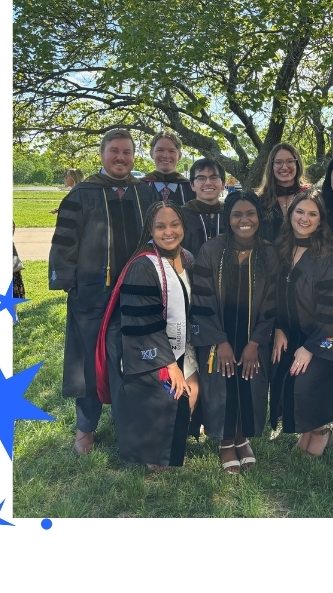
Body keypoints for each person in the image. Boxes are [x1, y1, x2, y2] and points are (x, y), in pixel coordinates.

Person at [48, 128, 161, 456]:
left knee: (138, 360)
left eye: (127, 152)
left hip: (138, 293)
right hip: (94, 293)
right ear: (102, 154)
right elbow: (64, 242)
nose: (121, 158)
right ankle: (85, 427)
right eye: (114, 151)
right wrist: (69, 283)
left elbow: (162, 237)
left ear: (134, 156)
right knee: (88, 362)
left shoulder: (147, 195)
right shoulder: (82, 194)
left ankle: (138, 425)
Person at [103, 201, 200, 470]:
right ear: (150, 229)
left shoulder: (187, 258)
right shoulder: (143, 266)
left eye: (174, 224)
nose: (168, 232)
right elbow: (142, 322)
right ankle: (154, 451)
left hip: (182, 344)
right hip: (148, 348)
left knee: (194, 390)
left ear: (183, 226)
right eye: (160, 226)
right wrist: (169, 364)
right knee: (172, 392)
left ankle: (173, 436)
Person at [189, 192, 277, 474]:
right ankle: (226, 440)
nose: (244, 220)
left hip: (254, 337)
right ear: (228, 218)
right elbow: (202, 301)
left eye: (250, 213)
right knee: (221, 383)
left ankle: (243, 436)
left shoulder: (268, 252)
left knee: (250, 383)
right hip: (219, 338)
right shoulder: (211, 250)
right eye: (237, 214)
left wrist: (255, 342)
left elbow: (273, 302)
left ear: (259, 217)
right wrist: (219, 340)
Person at [274, 192, 333, 456]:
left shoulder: (327, 258)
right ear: (290, 214)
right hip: (292, 334)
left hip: (326, 337)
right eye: (299, 212)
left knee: (307, 383)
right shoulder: (282, 248)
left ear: (321, 220)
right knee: (289, 382)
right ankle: (308, 431)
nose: (304, 219)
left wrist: (311, 346)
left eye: (312, 214)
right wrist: (278, 328)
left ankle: (320, 431)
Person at [178, 158, 230, 257]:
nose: (208, 183)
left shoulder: (231, 214)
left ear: (223, 184)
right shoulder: (180, 216)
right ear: (192, 185)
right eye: (201, 178)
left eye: (214, 177)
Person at [257, 142, 307, 244]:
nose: (284, 167)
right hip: (270, 258)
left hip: (305, 258)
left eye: (290, 161)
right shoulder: (260, 200)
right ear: (272, 166)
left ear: (297, 164)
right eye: (278, 162)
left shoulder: (308, 197)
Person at [141, 131, 191, 205]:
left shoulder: (190, 189)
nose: (166, 155)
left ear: (179, 156)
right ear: (151, 154)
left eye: (172, 151)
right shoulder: (139, 188)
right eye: (160, 150)